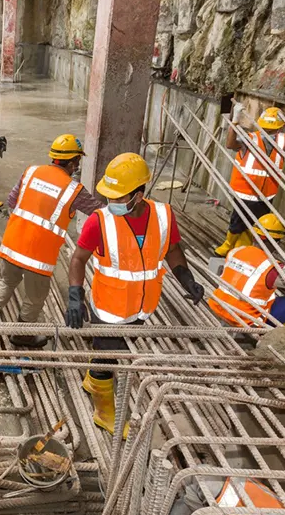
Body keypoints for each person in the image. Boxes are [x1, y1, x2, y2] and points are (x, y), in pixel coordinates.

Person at [66, 153, 204, 435]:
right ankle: (104, 413)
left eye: (119, 198)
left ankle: (92, 380)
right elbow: (78, 259)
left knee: (112, 353)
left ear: (139, 195)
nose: (111, 203)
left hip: (141, 309)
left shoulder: (164, 216)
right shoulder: (98, 221)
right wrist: (74, 295)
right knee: (108, 358)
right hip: (108, 310)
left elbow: (173, 250)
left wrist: (186, 278)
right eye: (110, 197)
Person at [0, 135, 103, 347]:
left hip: (13, 242)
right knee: (36, 296)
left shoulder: (31, 172)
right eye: (77, 163)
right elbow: (100, 213)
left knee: (7, 282)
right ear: (72, 162)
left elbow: (11, 201)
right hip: (38, 254)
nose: (77, 167)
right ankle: (22, 334)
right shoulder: (74, 190)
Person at [215, 104, 285, 256]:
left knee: (257, 225)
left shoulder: (284, 141)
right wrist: (235, 121)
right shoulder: (250, 138)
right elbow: (230, 144)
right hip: (245, 192)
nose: (268, 133)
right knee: (238, 222)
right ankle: (228, 244)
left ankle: (244, 245)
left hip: (266, 194)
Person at [208, 214, 285, 327]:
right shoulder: (273, 268)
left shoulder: (235, 251)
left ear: (254, 235)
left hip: (219, 306)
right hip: (246, 320)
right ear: (277, 242)